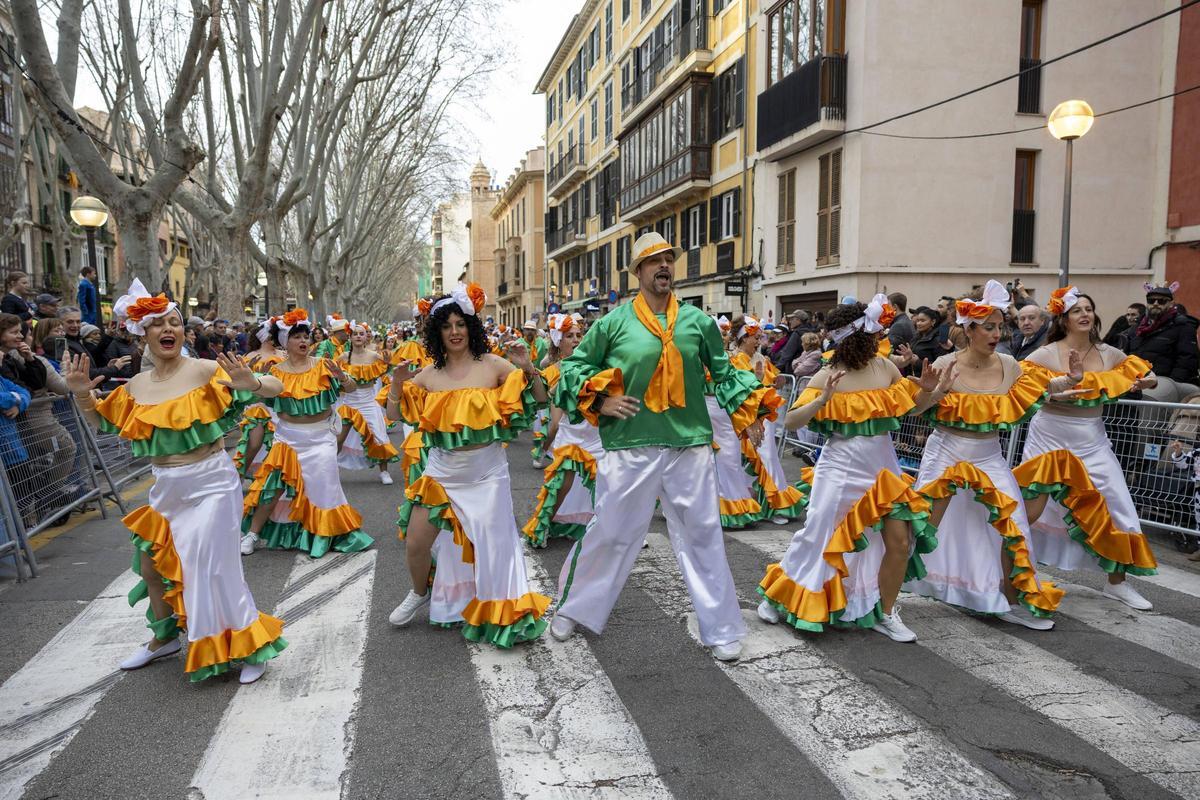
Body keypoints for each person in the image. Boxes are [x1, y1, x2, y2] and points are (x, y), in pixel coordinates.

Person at [547, 232, 778, 662]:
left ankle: (722, 628)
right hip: (631, 446)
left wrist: (749, 419)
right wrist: (602, 400)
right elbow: (573, 367)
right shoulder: (613, 323)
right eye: (654, 261)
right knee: (612, 531)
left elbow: (724, 374)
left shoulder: (698, 323)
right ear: (638, 271)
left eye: (669, 259)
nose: (664, 266)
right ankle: (572, 608)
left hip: (688, 445)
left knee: (703, 535)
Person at [65, 279, 287, 683]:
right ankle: (164, 637)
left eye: (174, 323)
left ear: (183, 332)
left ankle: (249, 643)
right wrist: (82, 395)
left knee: (212, 564)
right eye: (157, 325)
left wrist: (252, 383)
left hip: (211, 482)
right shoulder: (136, 385)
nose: (167, 329)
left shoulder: (203, 370)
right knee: (152, 565)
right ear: (142, 335)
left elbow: (277, 386)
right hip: (165, 485)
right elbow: (103, 423)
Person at [758, 298, 948, 641]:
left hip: (883, 471)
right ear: (858, 336)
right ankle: (782, 595)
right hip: (840, 470)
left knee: (900, 541)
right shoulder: (827, 374)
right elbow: (790, 420)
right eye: (873, 330)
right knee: (818, 537)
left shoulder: (886, 367)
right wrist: (821, 400)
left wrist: (930, 392)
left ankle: (885, 613)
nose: (879, 334)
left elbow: (913, 410)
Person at [904, 281, 1078, 630]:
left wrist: (1066, 381)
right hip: (947, 453)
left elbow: (1037, 391)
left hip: (988, 456)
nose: (997, 333)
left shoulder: (1010, 364)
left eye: (1000, 326)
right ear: (969, 330)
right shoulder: (944, 362)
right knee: (919, 527)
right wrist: (933, 392)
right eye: (989, 327)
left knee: (1013, 525)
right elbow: (915, 410)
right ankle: (884, 596)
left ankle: (1009, 600)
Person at [387, 283, 552, 647]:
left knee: (494, 550)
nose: (455, 332)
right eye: (446, 326)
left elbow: (539, 402)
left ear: (471, 327)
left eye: (460, 324)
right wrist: (398, 387)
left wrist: (528, 369)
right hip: (442, 474)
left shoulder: (494, 365)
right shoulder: (428, 375)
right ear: (437, 332)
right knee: (416, 541)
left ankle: (499, 610)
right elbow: (395, 416)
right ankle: (420, 592)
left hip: (487, 474)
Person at [1014, 286, 1159, 609]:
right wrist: (1051, 394)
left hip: (1091, 438)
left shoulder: (1109, 353)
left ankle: (1117, 583)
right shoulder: (1045, 354)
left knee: (1118, 504)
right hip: (1049, 436)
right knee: (1033, 508)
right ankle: (1017, 574)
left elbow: (1148, 376)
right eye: (1077, 310)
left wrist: (1145, 381)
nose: (1084, 314)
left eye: (1088, 309)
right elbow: (1022, 390)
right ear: (1063, 319)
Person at [240, 309, 372, 558]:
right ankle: (253, 534)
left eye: (306, 336)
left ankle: (322, 533)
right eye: (296, 337)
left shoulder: (323, 366)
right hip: (287, 438)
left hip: (320, 439)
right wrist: (251, 381)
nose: (303, 341)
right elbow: (259, 394)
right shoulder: (276, 371)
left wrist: (341, 377)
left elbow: (351, 387)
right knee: (273, 485)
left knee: (323, 486)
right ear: (284, 343)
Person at [523, 313, 607, 545]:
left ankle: (614, 531)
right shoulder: (555, 371)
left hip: (595, 435)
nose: (576, 339)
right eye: (570, 336)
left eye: (579, 334)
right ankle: (541, 528)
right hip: (571, 436)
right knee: (559, 487)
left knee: (606, 486)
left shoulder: (596, 364)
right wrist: (544, 446)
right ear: (559, 340)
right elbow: (556, 419)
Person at [730, 315, 805, 525]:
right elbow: (740, 390)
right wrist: (758, 381)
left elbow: (772, 384)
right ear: (744, 338)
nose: (760, 340)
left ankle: (772, 504)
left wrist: (776, 382)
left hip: (764, 415)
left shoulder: (761, 359)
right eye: (756, 337)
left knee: (766, 457)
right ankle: (761, 503)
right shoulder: (734, 360)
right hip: (746, 416)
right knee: (748, 458)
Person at [334, 321, 399, 484]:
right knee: (338, 439)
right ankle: (330, 470)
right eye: (355, 333)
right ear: (350, 337)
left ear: (366, 338)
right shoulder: (343, 357)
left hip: (369, 403)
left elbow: (391, 367)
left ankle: (384, 472)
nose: (358, 336)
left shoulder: (374, 356)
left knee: (379, 436)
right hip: (349, 404)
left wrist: (390, 362)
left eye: (361, 334)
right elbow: (331, 376)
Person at [1127, 282, 1200, 401]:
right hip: (1135, 385)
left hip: (1165, 388)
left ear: (1171, 303)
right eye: (1151, 300)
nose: (1155, 303)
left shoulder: (1184, 327)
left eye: (1161, 301)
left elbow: (1187, 361)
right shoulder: (1136, 329)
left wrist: (1170, 384)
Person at [232, 319, 283, 478]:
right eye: (273, 335)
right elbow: (242, 385)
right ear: (265, 337)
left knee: (277, 445)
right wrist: (257, 375)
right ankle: (236, 476)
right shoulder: (250, 357)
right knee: (254, 443)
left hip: (278, 405)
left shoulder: (284, 355)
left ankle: (270, 478)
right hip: (257, 406)